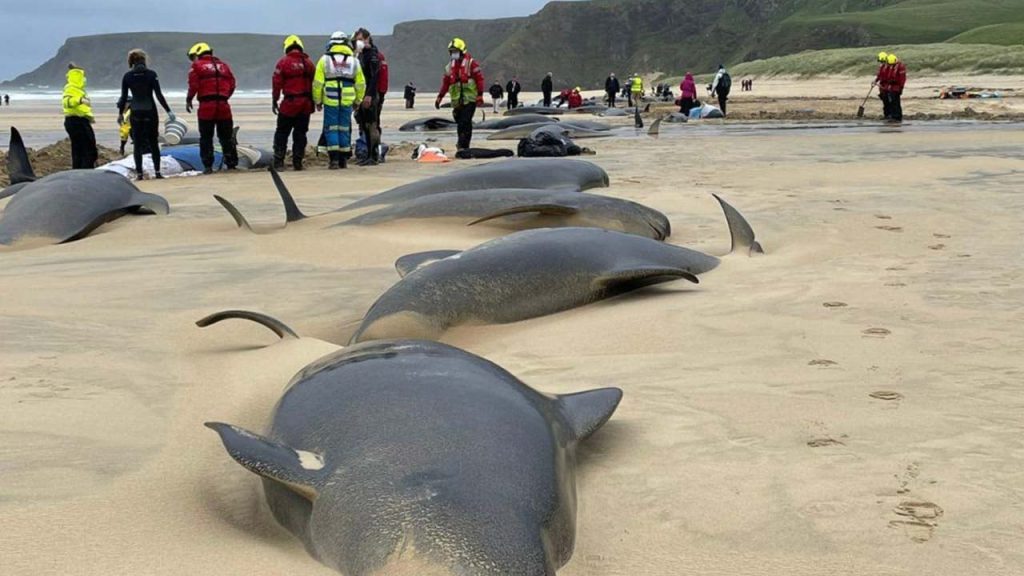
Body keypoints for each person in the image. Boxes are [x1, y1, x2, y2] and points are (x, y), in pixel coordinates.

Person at [118, 49, 174, 179]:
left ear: (132, 61)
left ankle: (139, 174)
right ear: (144, 60)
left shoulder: (127, 76)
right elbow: (159, 95)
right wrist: (168, 111)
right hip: (150, 111)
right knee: (153, 142)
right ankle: (158, 173)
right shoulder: (151, 74)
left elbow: (123, 98)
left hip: (135, 112)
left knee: (137, 144)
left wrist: (121, 114)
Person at [313, 32, 366, 169]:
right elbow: (360, 83)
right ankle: (343, 160)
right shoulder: (354, 61)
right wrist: (358, 101)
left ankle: (334, 160)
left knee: (331, 129)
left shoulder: (324, 60)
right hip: (348, 100)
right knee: (344, 129)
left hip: (330, 99)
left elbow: (318, 83)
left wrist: (317, 101)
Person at [186, 42, 238, 175]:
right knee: (226, 137)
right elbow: (232, 84)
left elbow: (193, 85)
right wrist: (225, 96)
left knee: (206, 137)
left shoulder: (197, 66)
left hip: (206, 105)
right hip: (223, 105)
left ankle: (208, 166)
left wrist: (189, 99)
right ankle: (231, 164)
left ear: (198, 53)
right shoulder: (224, 66)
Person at [272, 35, 315, 171]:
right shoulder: (309, 63)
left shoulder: (283, 62)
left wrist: (274, 100)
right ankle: (298, 162)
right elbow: (316, 84)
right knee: (300, 134)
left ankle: (279, 162)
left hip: (290, 103)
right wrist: (314, 101)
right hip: (305, 104)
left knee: (282, 133)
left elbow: (276, 83)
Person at [435, 37, 484, 152]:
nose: (453, 54)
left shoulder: (471, 63)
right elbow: (446, 83)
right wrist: (439, 97)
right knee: (459, 122)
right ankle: (461, 142)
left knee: (465, 122)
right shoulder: (449, 67)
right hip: (457, 101)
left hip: (469, 99)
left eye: (455, 51)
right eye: (452, 52)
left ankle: (464, 145)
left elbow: (480, 79)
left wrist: (480, 95)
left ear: (462, 51)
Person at [352, 28, 383, 166]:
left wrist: (369, 95)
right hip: (362, 94)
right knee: (363, 124)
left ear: (367, 39)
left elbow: (374, 77)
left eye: (360, 39)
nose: (358, 42)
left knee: (372, 125)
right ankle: (369, 154)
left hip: (370, 94)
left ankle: (374, 155)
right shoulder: (360, 55)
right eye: (356, 40)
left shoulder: (372, 55)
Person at [62, 63, 97, 170]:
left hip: (80, 120)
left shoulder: (78, 89)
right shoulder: (70, 88)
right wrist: (80, 100)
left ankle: (80, 170)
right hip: (76, 121)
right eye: (83, 76)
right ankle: (85, 172)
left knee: (80, 150)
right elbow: (66, 102)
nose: (85, 79)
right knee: (87, 150)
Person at [885, 53, 906, 123]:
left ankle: (897, 117)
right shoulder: (893, 67)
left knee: (896, 103)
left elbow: (902, 79)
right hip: (892, 87)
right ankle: (894, 116)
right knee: (892, 102)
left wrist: (901, 88)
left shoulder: (900, 67)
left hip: (896, 87)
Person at [874, 51, 892, 119]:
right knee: (885, 102)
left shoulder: (888, 67)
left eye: (882, 61)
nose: (881, 63)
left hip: (887, 87)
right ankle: (886, 115)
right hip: (882, 87)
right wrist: (875, 81)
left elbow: (887, 77)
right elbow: (879, 75)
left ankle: (890, 115)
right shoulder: (882, 67)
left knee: (888, 102)